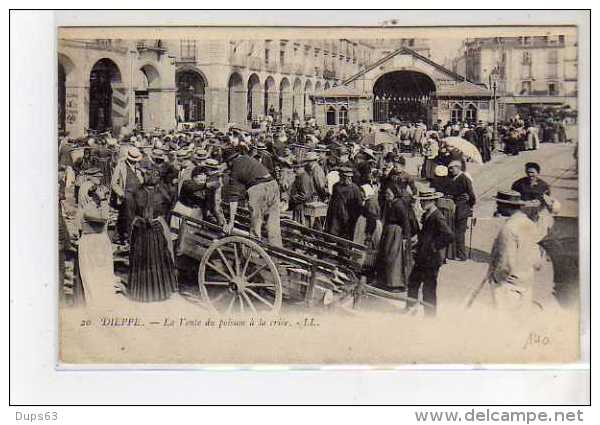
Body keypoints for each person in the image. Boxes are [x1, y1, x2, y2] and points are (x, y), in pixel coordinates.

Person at [466, 191, 555, 312]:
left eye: (500, 204)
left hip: (508, 284)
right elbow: (537, 260)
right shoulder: (529, 224)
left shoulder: (509, 228)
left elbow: (506, 263)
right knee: (520, 321)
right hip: (526, 281)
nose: (497, 206)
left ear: (508, 206)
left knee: (506, 322)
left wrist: (496, 279)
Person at [128, 165, 178, 302]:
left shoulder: (140, 192)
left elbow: (133, 212)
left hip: (150, 229)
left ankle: (146, 292)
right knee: (152, 258)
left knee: (151, 258)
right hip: (146, 229)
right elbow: (169, 205)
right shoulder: (157, 192)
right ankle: (157, 291)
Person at [405, 188, 454, 316]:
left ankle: (430, 316)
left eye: (425, 201)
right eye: (421, 201)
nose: (421, 204)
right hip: (423, 257)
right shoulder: (427, 214)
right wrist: (418, 240)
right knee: (413, 283)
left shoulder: (437, 217)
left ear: (432, 201)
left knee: (429, 289)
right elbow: (427, 233)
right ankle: (411, 309)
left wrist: (433, 246)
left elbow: (449, 235)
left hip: (431, 260)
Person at [222, 148, 283, 247]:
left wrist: (231, 222)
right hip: (273, 184)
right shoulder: (248, 158)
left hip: (259, 189)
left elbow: (233, 198)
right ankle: (278, 253)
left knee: (256, 223)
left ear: (229, 161)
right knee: (273, 224)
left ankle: (253, 254)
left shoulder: (235, 167)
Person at [76, 178, 119, 308]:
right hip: (92, 243)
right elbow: (104, 218)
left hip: (99, 241)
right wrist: (104, 201)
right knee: (93, 274)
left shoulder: (94, 206)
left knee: (103, 273)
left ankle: (104, 302)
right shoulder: (87, 209)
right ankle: (97, 304)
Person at [375, 187, 414, 291]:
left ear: (395, 193)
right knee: (387, 256)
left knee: (395, 258)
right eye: (386, 193)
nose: (386, 195)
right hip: (390, 232)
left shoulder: (399, 205)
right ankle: (386, 281)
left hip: (397, 233)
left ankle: (397, 284)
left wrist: (405, 238)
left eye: (389, 193)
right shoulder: (390, 203)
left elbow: (405, 222)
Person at [110, 146, 144, 245]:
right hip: (126, 195)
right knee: (129, 217)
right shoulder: (121, 166)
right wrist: (121, 194)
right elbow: (113, 183)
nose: (135, 162)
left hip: (137, 195)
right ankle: (130, 238)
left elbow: (140, 179)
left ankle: (121, 236)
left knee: (133, 216)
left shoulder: (137, 167)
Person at [445, 160, 476, 261]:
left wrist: (469, 207)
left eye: (452, 168)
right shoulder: (452, 178)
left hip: (463, 208)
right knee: (455, 230)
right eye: (449, 168)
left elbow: (471, 195)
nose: (450, 170)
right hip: (454, 207)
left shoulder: (464, 178)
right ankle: (454, 253)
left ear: (458, 168)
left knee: (460, 232)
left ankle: (462, 255)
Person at [324, 167, 363, 240]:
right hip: (336, 216)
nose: (349, 179)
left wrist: (353, 217)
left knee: (345, 238)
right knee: (334, 236)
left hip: (348, 218)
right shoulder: (336, 186)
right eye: (345, 177)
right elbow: (332, 202)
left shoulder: (355, 188)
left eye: (350, 177)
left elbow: (359, 205)